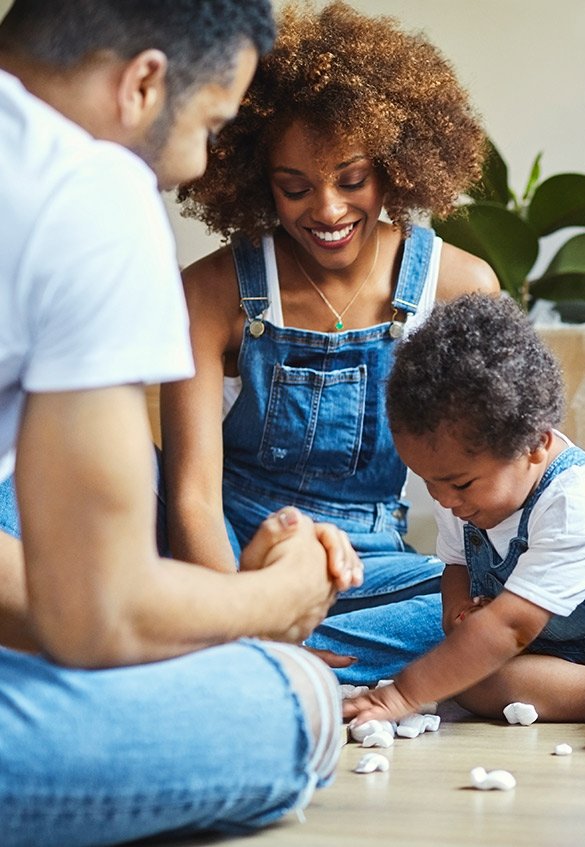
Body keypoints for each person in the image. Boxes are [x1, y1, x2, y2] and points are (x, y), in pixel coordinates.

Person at [0, 2, 358, 844]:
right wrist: (274, 603)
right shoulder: (87, 185)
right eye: (210, 124)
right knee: (290, 701)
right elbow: (96, 616)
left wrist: (213, 603)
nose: (194, 166)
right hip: (115, 596)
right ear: (145, 83)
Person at [168, 1, 498, 684]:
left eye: (352, 180)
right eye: (294, 187)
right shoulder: (208, 293)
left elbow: (497, 480)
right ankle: (251, 650)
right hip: (231, 551)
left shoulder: (458, 286)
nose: (325, 210)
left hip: (370, 561)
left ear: (395, 166)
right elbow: (191, 499)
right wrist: (243, 610)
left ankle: (244, 658)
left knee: (497, 615)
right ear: (258, 180)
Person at [344, 294, 585, 756]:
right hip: (550, 650)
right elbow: (456, 563)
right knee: (471, 678)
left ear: (535, 444)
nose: (443, 499)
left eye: (459, 484)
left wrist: (401, 694)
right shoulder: (458, 492)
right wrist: (458, 615)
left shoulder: (576, 502)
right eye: (430, 482)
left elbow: (511, 626)